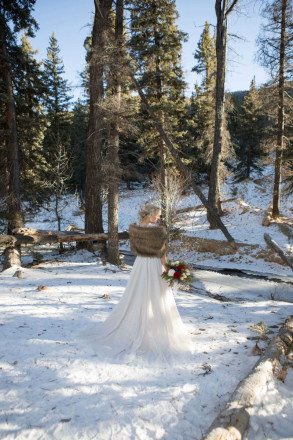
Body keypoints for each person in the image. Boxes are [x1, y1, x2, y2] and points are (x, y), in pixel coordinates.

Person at [83, 203, 193, 364]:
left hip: (140, 264)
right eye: (158, 215)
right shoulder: (157, 232)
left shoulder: (135, 229)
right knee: (156, 295)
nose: (159, 218)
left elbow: (134, 249)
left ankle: (137, 323)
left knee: (138, 293)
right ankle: (154, 326)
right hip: (154, 264)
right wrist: (169, 269)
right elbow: (162, 254)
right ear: (150, 215)